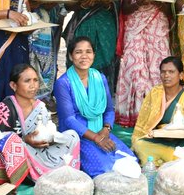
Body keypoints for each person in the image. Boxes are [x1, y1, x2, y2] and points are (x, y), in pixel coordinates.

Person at [54, 37, 134, 176]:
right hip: (77, 136)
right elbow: (69, 120)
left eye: (88, 52)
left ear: (93, 55)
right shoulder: (63, 83)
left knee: (130, 160)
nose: (84, 56)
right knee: (105, 169)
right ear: (71, 56)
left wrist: (106, 129)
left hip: (101, 131)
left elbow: (109, 109)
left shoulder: (99, 77)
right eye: (78, 52)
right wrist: (96, 138)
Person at [116, 0, 173, 127]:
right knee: (135, 69)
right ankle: (137, 113)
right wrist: (138, 3)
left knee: (157, 68)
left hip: (157, 28)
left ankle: (159, 112)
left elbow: (169, 11)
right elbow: (123, 8)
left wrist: (159, 3)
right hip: (134, 29)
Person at [0, 64, 81, 180]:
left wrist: (50, 138)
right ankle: (37, 174)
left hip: (41, 151)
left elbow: (46, 131)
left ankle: (56, 171)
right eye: (27, 81)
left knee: (72, 136)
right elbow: (0, 141)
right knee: (18, 146)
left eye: (35, 80)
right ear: (14, 85)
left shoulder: (40, 106)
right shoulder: (5, 108)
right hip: (22, 155)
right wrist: (25, 140)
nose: (33, 85)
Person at [130, 56, 184, 164]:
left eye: (171, 72)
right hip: (161, 138)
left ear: (181, 75)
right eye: (163, 72)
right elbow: (145, 122)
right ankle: (165, 160)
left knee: (182, 153)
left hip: (183, 140)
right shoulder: (155, 92)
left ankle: (164, 160)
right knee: (140, 144)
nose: (166, 75)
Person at [9, 0, 59, 99]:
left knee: (43, 56)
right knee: (24, 56)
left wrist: (41, 2)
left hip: (41, 20)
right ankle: (22, 96)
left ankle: (43, 95)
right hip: (18, 22)